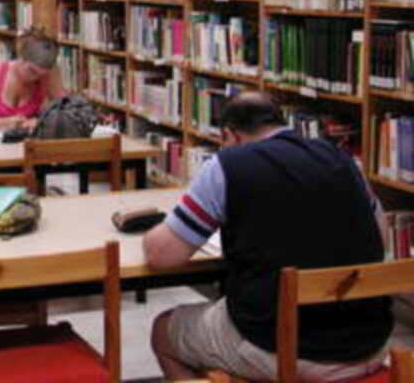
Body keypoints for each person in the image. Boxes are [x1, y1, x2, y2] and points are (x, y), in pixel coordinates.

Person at [143, 91, 392, 382]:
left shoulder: (228, 164)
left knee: (164, 332)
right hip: (370, 343)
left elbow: (163, 256)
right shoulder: (343, 159)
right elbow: (382, 237)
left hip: (281, 348)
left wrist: (150, 232)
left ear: (230, 135)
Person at [0, 30, 65, 131]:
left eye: (40, 74)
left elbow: (68, 112)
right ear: (21, 58)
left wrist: (41, 122)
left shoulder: (45, 76)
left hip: (23, 142)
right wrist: (1, 123)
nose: (34, 78)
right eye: (31, 71)